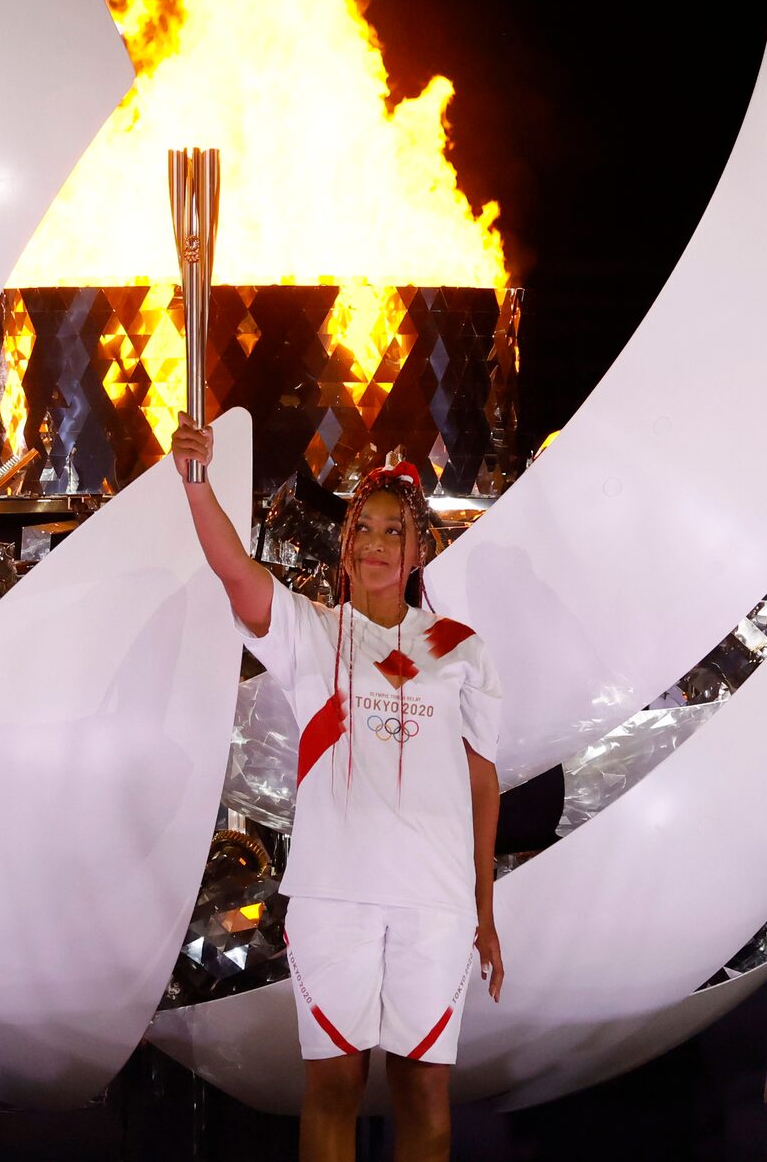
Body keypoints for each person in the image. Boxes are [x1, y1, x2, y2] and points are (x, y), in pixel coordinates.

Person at [172, 413, 504, 1162]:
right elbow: (235, 572)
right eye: (362, 529)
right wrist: (198, 488)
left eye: (393, 531)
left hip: (435, 902)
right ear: (344, 548)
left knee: (424, 1091)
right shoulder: (313, 634)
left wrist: (485, 908)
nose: (375, 545)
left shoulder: (461, 652)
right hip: (335, 898)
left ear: (419, 549)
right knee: (334, 1089)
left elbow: (483, 785)